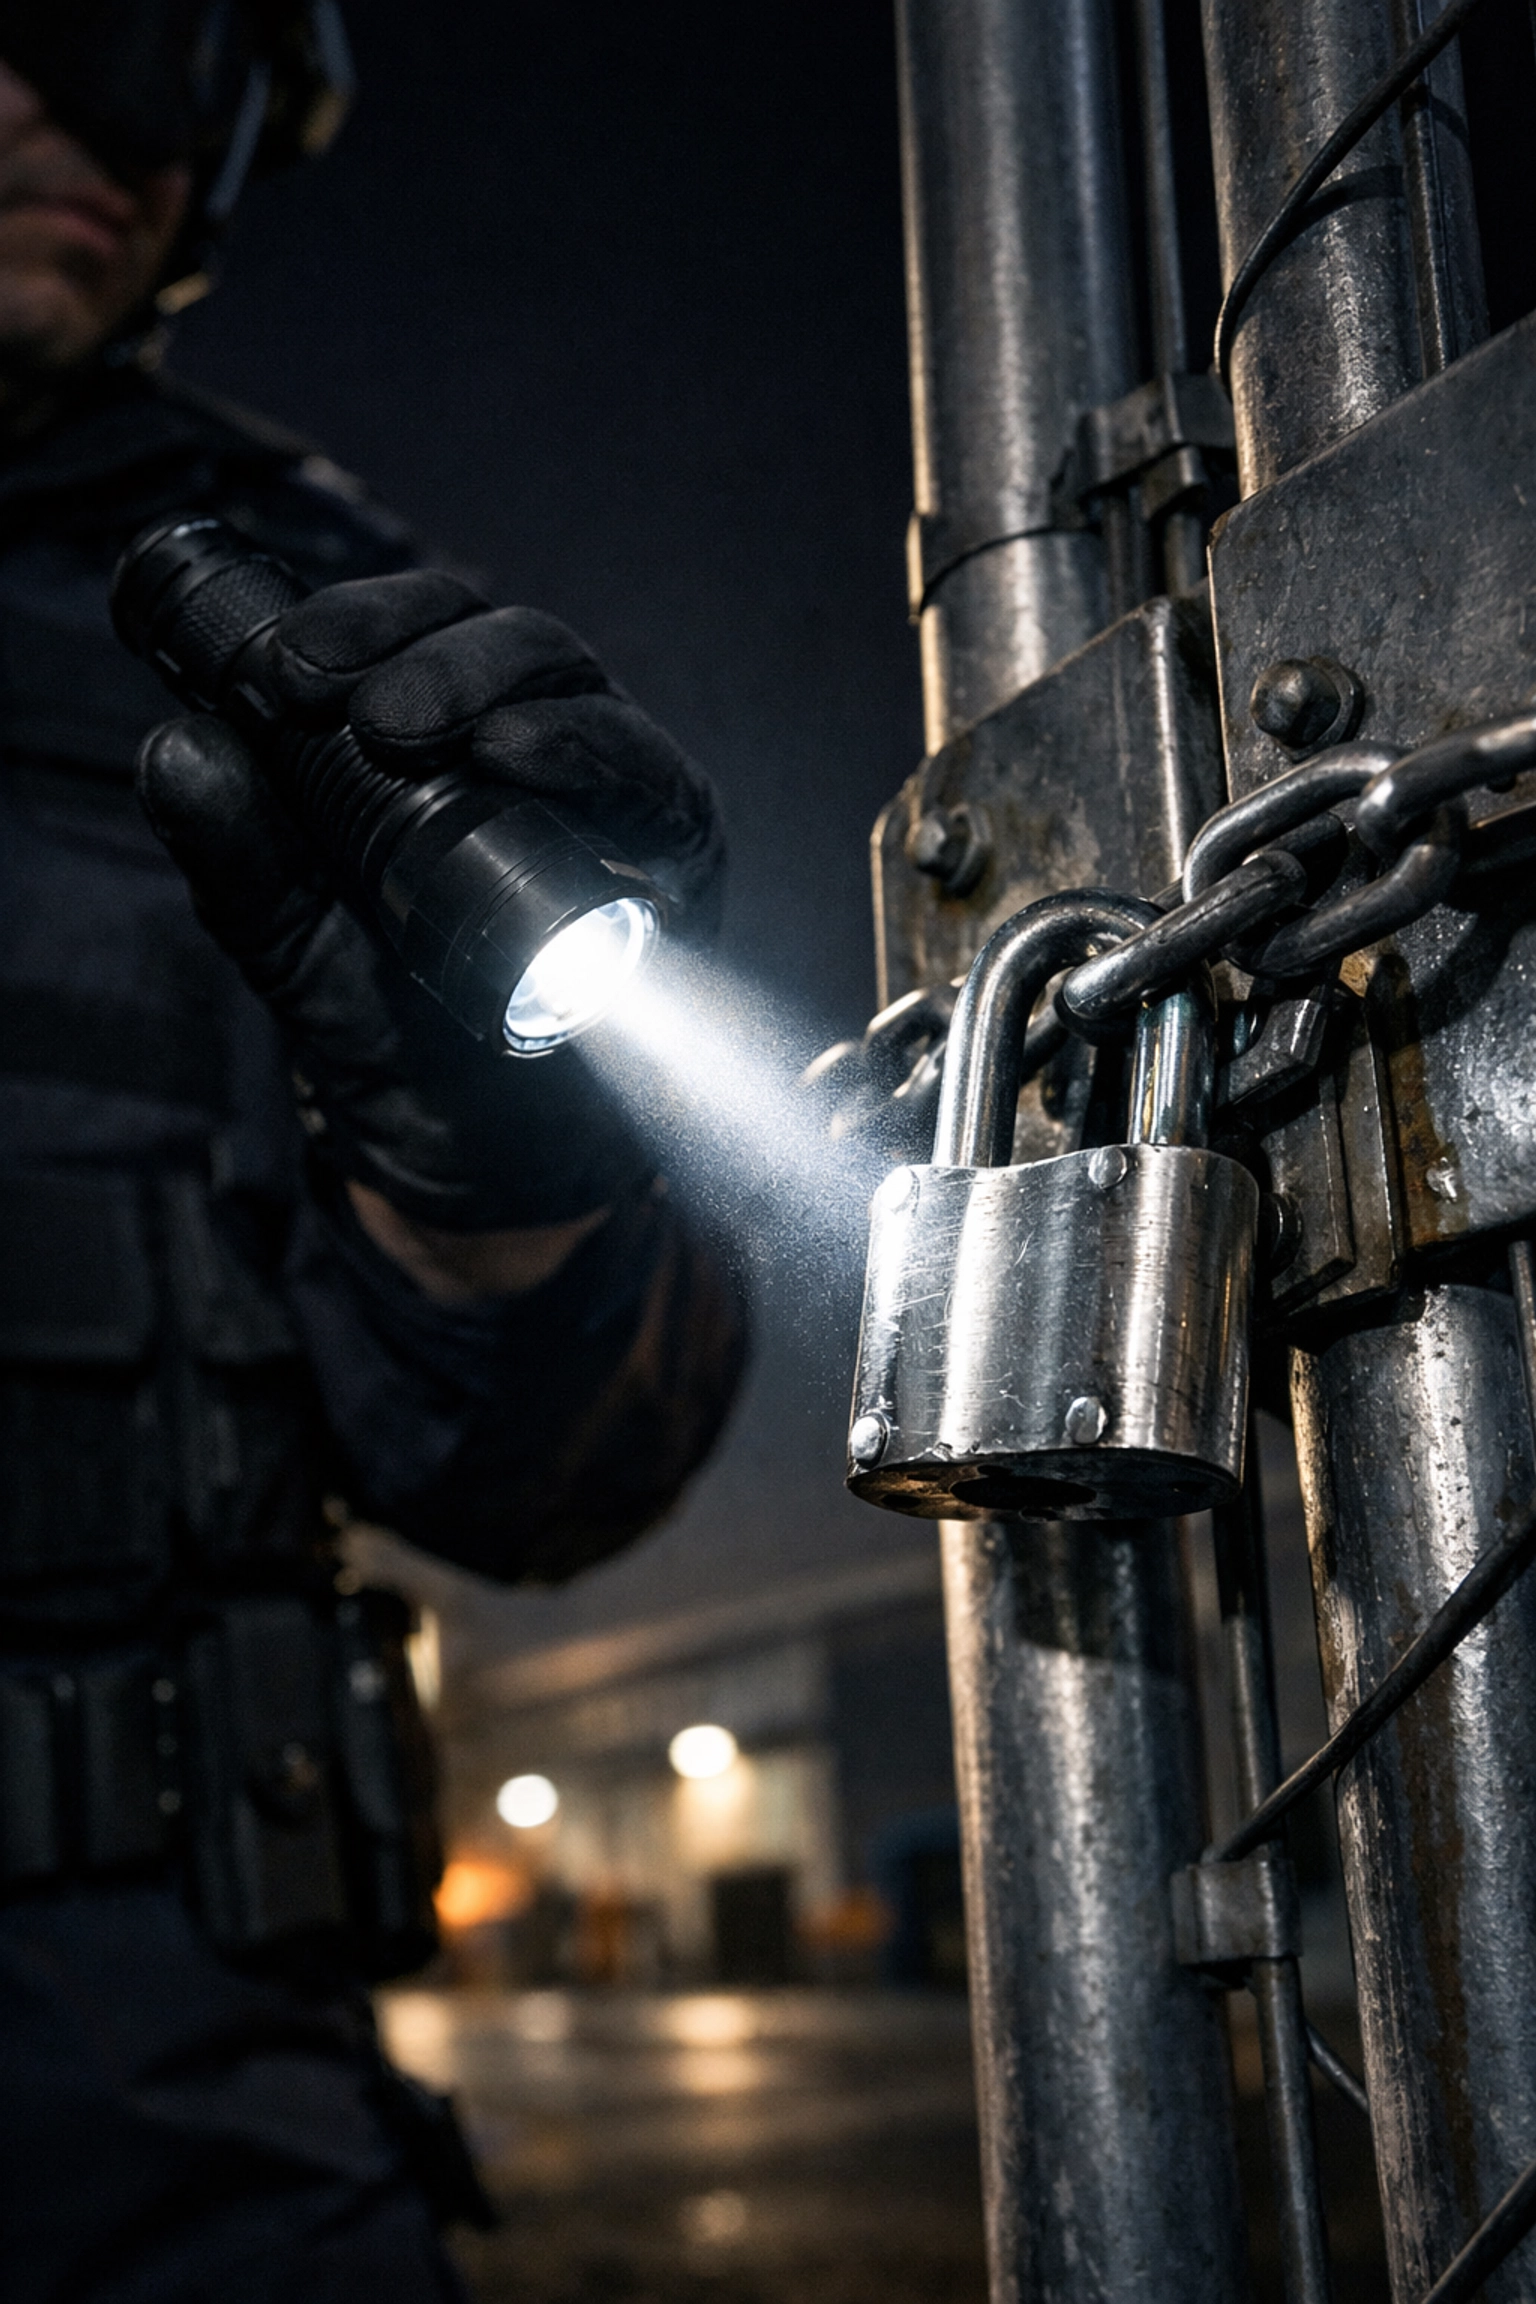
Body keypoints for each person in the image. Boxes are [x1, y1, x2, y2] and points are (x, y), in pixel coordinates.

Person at [0, 7, 747, 2298]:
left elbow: (548, 1480)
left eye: (170, 55)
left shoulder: (307, 628)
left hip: (169, 2082)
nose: (89, 119)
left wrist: (493, 1170)